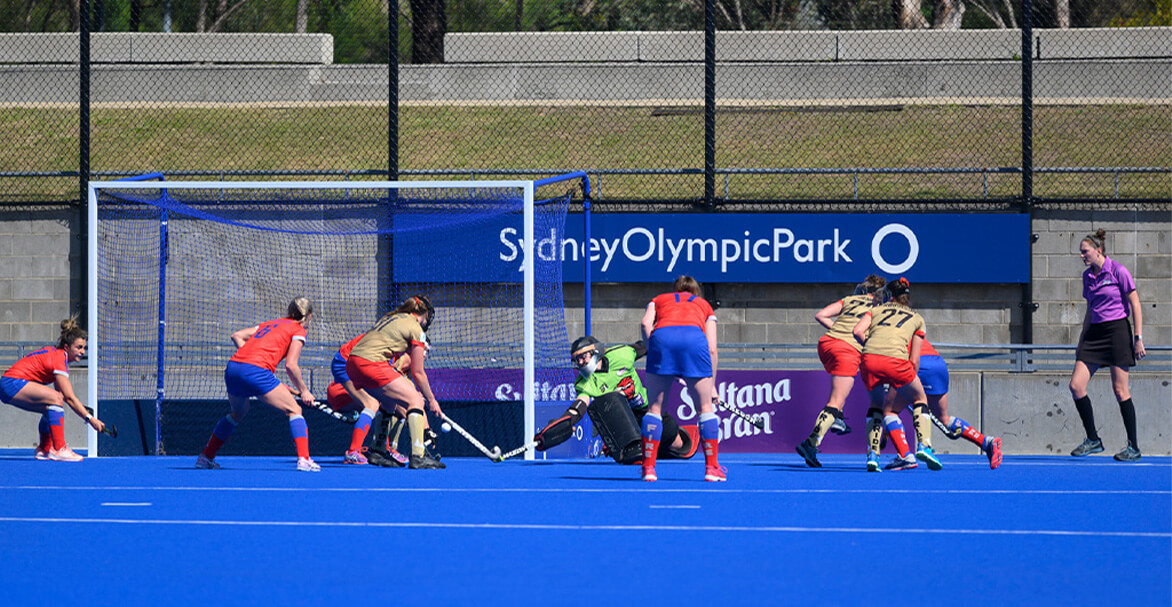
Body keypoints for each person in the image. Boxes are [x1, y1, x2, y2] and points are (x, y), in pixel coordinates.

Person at [196, 297, 320, 472]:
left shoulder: (270, 324)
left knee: (238, 412)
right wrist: (304, 391)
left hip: (234, 368)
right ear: (308, 316)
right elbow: (291, 365)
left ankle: (205, 457)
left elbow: (236, 335)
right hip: (255, 372)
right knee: (295, 410)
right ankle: (304, 459)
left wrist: (251, 364)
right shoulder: (298, 330)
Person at [533, 336, 697, 462]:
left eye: (583, 357)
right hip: (621, 421)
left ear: (595, 351)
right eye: (577, 360)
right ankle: (632, 445)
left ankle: (657, 447)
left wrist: (674, 364)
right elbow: (578, 407)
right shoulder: (584, 384)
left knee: (677, 444)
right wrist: (562, 423)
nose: (580, 363)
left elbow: (646, 346)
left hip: (647, 410)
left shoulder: (621, 355)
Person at [1068, 229, 1146, 462]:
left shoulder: (1118, 271)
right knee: (1076, 386)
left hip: (1117, 331)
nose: (1082, 256)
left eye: (1085, 252)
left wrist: (1138, 337)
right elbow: (1090, 309)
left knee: (1120, 390)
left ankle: (1133, 446)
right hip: (1094, 333)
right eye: (1081, 253)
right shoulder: (1087, 276)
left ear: (1098, 250)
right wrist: (1082, 339)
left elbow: (1135, 303)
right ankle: (1093, 439)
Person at [795, 274, 886, 468]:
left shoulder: (849, 299)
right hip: (847, 349)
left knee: (839, 393)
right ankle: (811, 442)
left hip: (827, 344)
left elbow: (820, 315)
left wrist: (840, 330)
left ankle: (837, 417)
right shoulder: (879, 308)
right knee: (835, 401)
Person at [345, 295, 445, 469]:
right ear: (425, 314)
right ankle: (418, 456)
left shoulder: (391, 317)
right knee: (415, 400)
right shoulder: (416, 329)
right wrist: (431, 400)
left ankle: (377, 452)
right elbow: (418, 372)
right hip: (371, 363)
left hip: (353, 364)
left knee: (389, 401)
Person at [639, 275, 723, 482]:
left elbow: (645, 324)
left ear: (675, 290)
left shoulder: (658, 299)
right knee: (705, 408)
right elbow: (712, 348)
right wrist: (711, 385)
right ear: (696, 292)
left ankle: (648, 469)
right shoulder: (704, 305)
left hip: (661, 339)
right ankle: (712, 469)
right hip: (694, 340)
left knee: (654, 409)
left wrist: (655, 352)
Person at [0, 316, 108, 461]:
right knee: (56, 399)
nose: (82, 352)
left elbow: (63, 395)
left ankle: (44, 449)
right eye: (79, 347)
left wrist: (82, 411)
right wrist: (90, 419)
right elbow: (68, 398)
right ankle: (59, 448)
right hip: (11, 383)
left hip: (8, 386)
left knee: (51, 406)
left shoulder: (58, 357)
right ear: (67, 347)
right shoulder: (59, 360)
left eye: (84, 348)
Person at [885, 338, 1003, 470]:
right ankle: (986, 442)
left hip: (913, 363)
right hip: (937, 364)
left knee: (890, 411)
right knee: (943, 418)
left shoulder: (881, 329)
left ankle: (905, 456)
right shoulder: (907, 321)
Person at [852, 277, 931, 472]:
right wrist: (907, 379)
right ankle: (924, 445)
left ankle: (873, 455)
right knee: (920, 398)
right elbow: (914, 360)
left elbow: (857, 331)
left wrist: (870, 345)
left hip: (869, 358)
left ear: (889, 295)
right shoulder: (917, 318)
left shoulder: (876, 310)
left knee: (876, 405)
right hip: (897, 362)